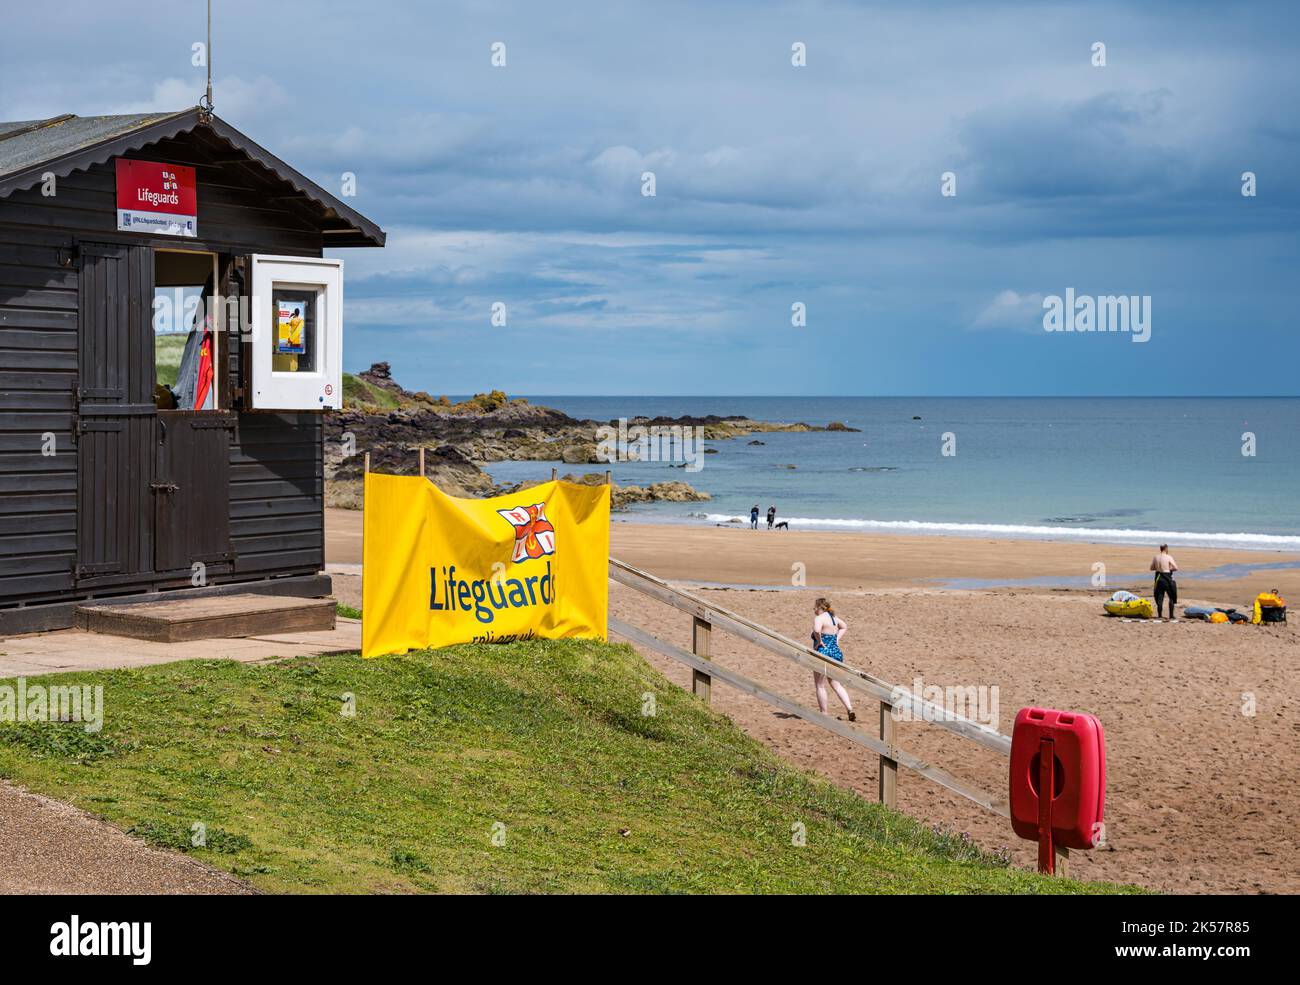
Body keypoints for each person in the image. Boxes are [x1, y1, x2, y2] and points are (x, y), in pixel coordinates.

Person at [811, 597, 855, 721]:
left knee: (820, 685)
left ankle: (824, 714)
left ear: (820, 607)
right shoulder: (834, 618)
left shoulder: (819, 618)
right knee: (836, 684)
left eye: (815, 607)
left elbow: (816, 630)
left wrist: (819, 641)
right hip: (836, 653)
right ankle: (849, 708)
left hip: (823, 653)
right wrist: (836, 640)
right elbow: (844, 626)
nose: (813, 609)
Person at [1150, 544, 1179, 620]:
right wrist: (1169, 568)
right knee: (1171, 595)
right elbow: (1176, 568)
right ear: (1166, 549)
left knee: (1159, 597)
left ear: (1160, 549)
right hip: (1166, 576)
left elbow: (1151, 568)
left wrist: (1158, 567)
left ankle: (1159, 615)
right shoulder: (1168, 557)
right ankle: (1171, 615)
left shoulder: (1156, 557)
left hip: (1158, 577)